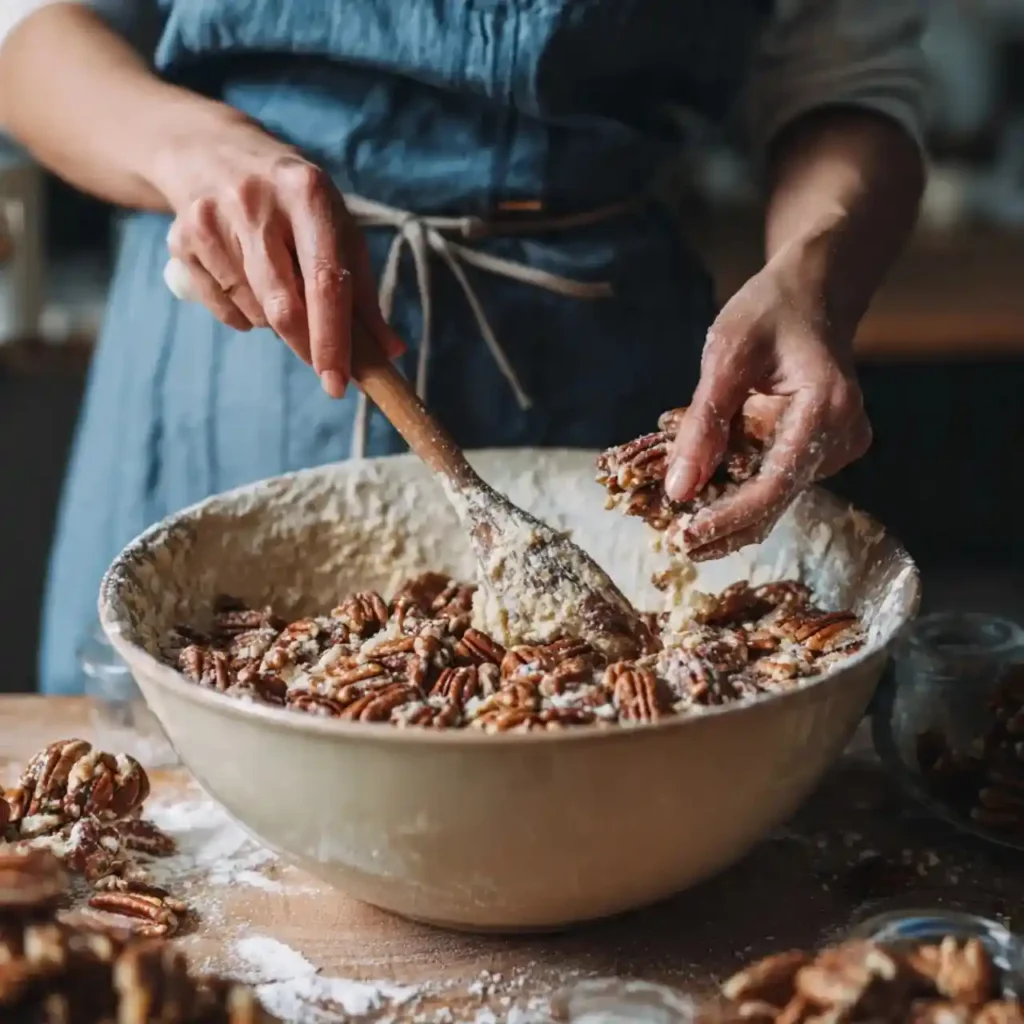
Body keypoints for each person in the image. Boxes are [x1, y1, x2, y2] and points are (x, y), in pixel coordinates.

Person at [0, 0, 926, 695]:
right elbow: (30, 32)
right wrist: (199, 153)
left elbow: (842, 75)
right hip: (244, 309)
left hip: (594, 339)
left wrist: (814, 274)